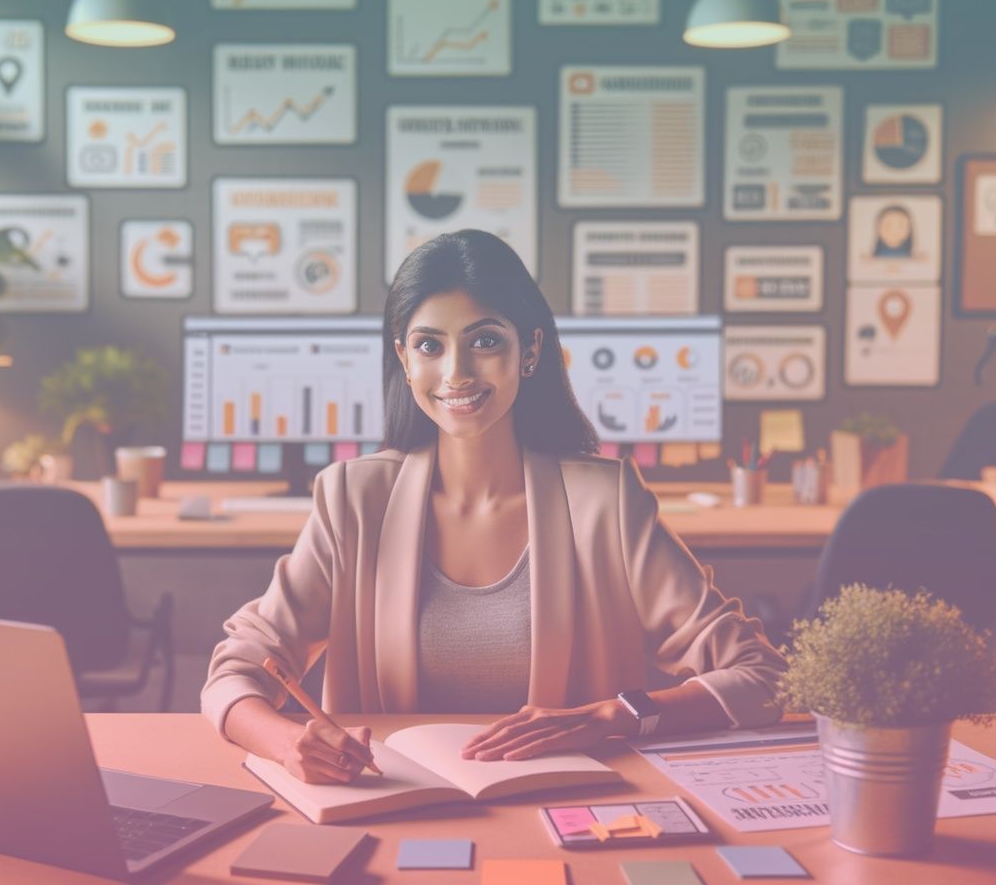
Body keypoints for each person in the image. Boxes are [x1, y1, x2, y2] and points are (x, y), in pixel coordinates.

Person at [202, 230, 786, 784]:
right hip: (394, 808)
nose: (456, 372)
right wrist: (287, 743)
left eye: (484, 341)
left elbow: (761, 677)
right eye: (430, 345)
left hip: (570, 810)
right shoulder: (352, 501)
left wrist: (615, 716)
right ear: (404, 360)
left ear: (529, 350)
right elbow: (236, 672)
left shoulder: (604, 502)